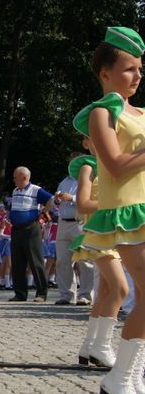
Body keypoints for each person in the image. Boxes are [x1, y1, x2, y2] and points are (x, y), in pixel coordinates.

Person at [75, 26, 145, 394]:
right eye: (129, 68)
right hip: (125, 215)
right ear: (105, 73)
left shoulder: (141, 113)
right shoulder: (101, 113)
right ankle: (119, 377)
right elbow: (115, 166)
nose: (137, 75)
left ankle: (132, 377)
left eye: (139, 69)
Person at [69, 148, 126, 367]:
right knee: (120, 289)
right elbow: (82, 204)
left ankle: (89, 346)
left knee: (103, 292)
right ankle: (101, 347)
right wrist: (118, 203)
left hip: (113, 234)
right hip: (96, 234)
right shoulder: (88, 166)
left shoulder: (114, 166)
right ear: (86, 141)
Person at [8, 166, 54, 302]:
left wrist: (43, 212)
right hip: (16, 229)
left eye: (15, 177)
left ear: (24, 177)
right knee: (17, 262)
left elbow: (51, 199)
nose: (14, 180)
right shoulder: (15, 190)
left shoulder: (35, 189)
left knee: (35, 261)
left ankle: (41, 293)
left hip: (31, 229)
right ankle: (20, 293)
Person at [55, 153, 95, 305]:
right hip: (63, 223)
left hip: (80, 223)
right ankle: (66, 295)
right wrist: (57, 199)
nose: (72, 165)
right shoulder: (64, 181)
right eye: (70, 162)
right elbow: (55, 200)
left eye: (74, 162)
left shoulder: (88, 179)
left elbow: (92, 198)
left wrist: (71, 198)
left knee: (85, 260)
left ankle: (85, 295)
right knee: (62, 261)